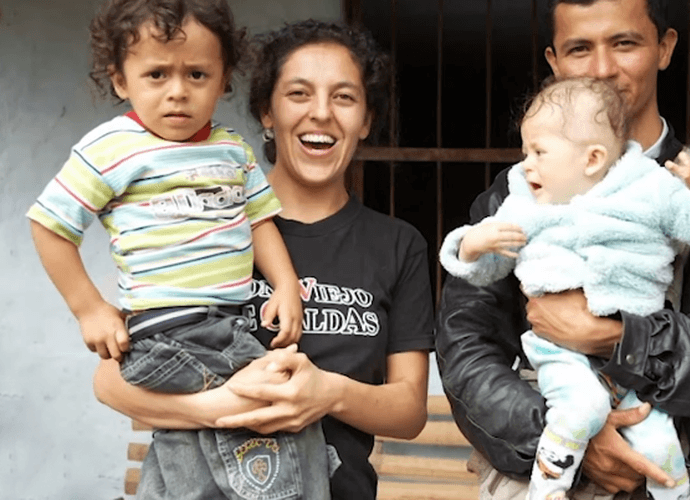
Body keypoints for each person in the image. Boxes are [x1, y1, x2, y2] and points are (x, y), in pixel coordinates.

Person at [434, 0, 690, 499]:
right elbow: (464, 348)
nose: (602, 69)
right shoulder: (514, 194)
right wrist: (571, 436)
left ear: (665, 48)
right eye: (580, 49)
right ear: (555, 63)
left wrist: (615, 337)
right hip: (549, 459)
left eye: (624, 43)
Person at [92, 18, 435, 500]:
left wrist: (325, 394)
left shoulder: (398, 244)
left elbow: (407, 410)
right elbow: (111, 382)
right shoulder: (201, 220)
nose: (321, 114)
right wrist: (219, 407)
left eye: (344, 97)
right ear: (266, 112)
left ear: (367, 119)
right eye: (298, 94)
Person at [25, 1, 330, 498]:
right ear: (121, 81)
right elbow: (50, 226)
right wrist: (90, 310)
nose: (177, 92)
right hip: (167, 331)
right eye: (156, 74)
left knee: (191, 443)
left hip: (225, 325)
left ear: (223, 78)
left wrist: (286, 286)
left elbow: (258, 222)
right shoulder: (111, 148)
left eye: (196, 74)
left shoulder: (233, 150)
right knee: (278, 411)